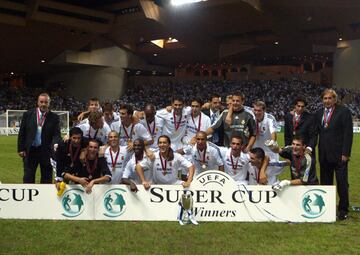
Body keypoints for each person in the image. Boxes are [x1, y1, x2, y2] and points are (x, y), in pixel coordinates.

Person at [313, 89, 353, 220]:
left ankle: (343, 209)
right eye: (325, 98)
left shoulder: (344, 112)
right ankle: (328, 208)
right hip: (324, 155)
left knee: (342, 183)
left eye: (330, 98)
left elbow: (348, 134)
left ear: (335, 99)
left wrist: (345, 153)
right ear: (322, 100)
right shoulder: (319, 114)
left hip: (339, 155)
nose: (327, 101)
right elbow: (315, 132)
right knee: (326, 183)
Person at [18, 93, 61, 183]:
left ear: (49, 103)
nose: (43, 104)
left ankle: (45, 197)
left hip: (46, 151)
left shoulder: (54, 117)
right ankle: (28, 196)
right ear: (38, 102)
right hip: (30, 151)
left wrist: (56, 144)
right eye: (41, 102)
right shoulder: (28, 114)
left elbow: (57, 134)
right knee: (28, 177)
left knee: (47, 177)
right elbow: (22, 132)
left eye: (46, 102)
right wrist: (21, 148)